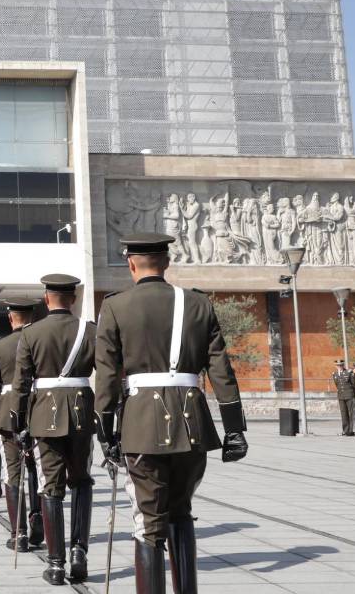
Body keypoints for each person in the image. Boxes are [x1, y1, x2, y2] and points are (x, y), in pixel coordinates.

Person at [95, 232, 248, 593]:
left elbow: (107, 374)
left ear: (130, 264)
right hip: (192, 423)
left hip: (141, 425)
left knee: (148, 522)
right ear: (166, 262)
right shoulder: (197, 303)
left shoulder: (116, 306)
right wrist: (233, 428)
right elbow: (221, 368)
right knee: (181, 512)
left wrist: (106, 430)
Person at [13, 274, 97, 585]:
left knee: (51, 487)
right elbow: (107, 374)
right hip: (80, 413)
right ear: (72, 299)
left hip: (44, 416)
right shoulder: (90, 331)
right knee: (82, 481)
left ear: (46, 299)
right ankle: (79, 552)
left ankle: (56, 562)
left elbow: (21, 384)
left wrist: (19, 423)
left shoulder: (31, 333)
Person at [0, 297, 44, 553]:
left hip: (8, 413)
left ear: (10, 317)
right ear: (32, 317)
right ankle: (37, 519)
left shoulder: (0, 346)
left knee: (13, 470)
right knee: (37, 468)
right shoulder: (40, 339)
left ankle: (19, 533)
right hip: (39, 409)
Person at [332, 360, 355, 436]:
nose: (339, 366)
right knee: (343, 413)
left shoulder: (349, 372)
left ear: (343, 365)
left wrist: (354, 394)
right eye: (338, 365)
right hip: (341, 396)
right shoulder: (335, 374)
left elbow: (354, 384)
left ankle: (351, 431)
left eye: (341, 365)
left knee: (351, 413)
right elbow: (337, 385)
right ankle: (345, 430)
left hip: (349, 395)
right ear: (336, 366)